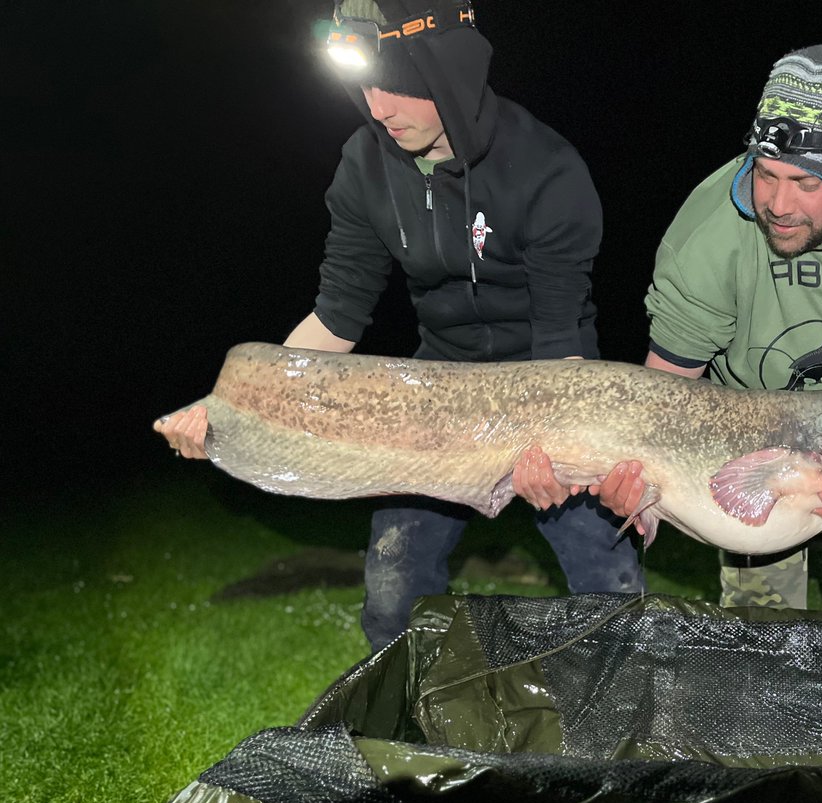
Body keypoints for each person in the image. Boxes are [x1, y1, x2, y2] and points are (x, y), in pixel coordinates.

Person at [155, 0, 643, 651]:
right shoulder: (364, 165)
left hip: (551, 389)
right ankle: (405, 733)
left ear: (452, 76)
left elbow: (562, 348)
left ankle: (623, 721)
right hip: (436, 393)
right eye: (365, 85)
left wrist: (557, 453)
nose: (377, 105)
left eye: (398, 86)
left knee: (609, 593)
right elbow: (335, 318)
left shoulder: (548, 170)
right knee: (393, 591)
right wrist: (230, 410)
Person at [516, 40, 822, 616]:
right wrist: (635, 478)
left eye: (807, 184)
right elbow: (660, 402)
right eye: (766, 174)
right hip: (747, 436)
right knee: (755, 627)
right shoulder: (711, 230)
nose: (777, 203)